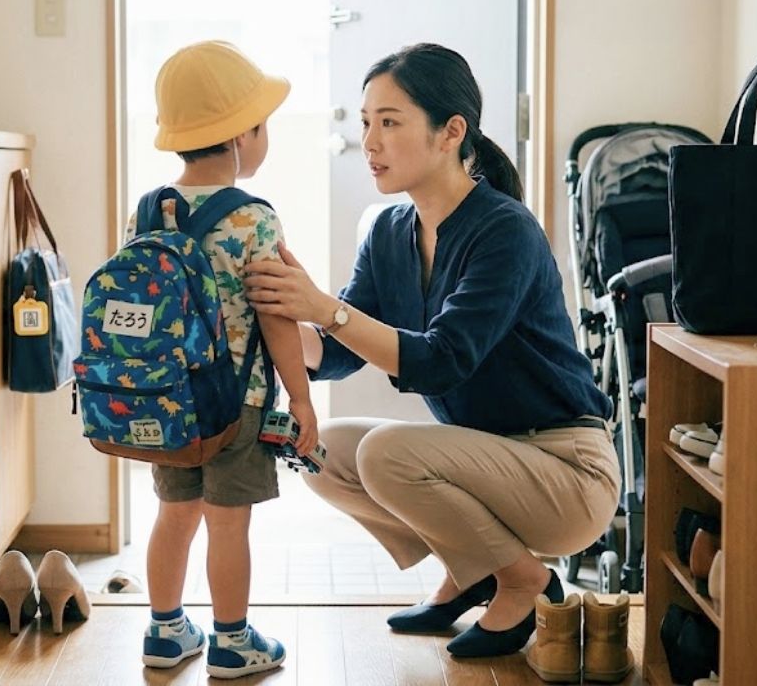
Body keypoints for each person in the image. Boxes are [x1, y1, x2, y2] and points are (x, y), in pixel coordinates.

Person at [243, 43, 619, 658]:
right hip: (493, 460)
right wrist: (277, 321)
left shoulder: (505, 231)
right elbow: (338, 351)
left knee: (388, 453)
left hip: (566, 470)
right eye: (365, 122)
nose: (370, 142)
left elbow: (443, 358)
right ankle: (472, 571)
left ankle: (524, 581)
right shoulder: (390, 231)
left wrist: (324, 308)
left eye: (389, 122)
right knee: (322, 449)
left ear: (451, 133)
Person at [133, 40, 318, 679]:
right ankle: (232, 641)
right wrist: (301, 399)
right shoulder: (253, 220)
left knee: (173, 515)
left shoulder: (149, 210)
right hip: (234, 404)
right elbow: (277, 315)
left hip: (165, 401)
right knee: (227, 524)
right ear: (244, 135)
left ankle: (163, 632)